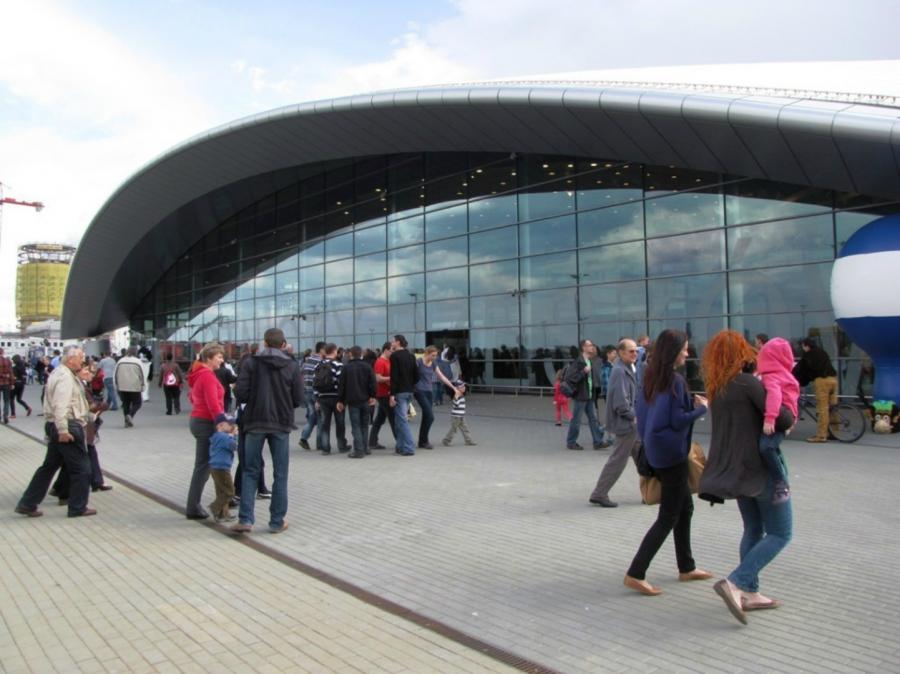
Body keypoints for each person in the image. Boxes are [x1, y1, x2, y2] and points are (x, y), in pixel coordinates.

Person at [699, 330, 793, 624]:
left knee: (753, 529)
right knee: (780, 533)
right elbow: (784, 419)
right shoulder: (747, 382)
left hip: (735, 474)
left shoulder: (718, 388)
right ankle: (737, 581)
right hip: (760, 471)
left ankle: (749, 592)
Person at [623, 329, 711, 595]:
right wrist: (701, 409)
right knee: (669, 515)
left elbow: (647, 415)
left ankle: (686, 567)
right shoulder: (673, 381)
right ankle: (636, 572)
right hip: (671, 456)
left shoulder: (652, 377)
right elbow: (675, 420)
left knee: (685, 508)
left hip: (658, 453)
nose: (687, 353)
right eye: (684, 349)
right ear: (673, 352)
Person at [232, 328, 303, 534]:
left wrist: (255, 399)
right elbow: (298, 398)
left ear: (264, 343)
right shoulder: (291, 365)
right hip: (281, 423)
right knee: (281, 473)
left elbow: (241, 393)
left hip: (254, 421)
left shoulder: (251, 363)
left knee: (250, 470)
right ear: (283, 344)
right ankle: (276, 521)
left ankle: (245, 519)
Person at [15, 345, 97, 518]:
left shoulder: (62, 373)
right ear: (70, 359)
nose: (83, 361)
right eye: (80, 358)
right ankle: (77, 507)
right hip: (67, 426)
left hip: (57, 424)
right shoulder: (65, 377)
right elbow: (61, 405)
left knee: (49, 467)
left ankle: (27, 503)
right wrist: (63, 430)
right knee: (82, 468)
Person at [588, 338, 641, 508]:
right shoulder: (619, 371)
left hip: (631, 423)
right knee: (618, 460)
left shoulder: (626, 368)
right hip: (626, 424)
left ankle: (652, 491)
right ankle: (599, 493)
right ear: (621, 352)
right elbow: (621, 403)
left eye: (636, 350)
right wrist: (633, 416)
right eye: (631, 351)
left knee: (642, 456)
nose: (635, 353)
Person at [185, 343, 228, 520]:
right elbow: (212, 402)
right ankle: (193, 506)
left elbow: (192, 396)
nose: (222, 360)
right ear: (209, 358)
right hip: (206, 422)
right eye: (219, 357)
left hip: (199, 420)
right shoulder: (207, 376)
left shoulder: (200, 374)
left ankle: (195, 505)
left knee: (204, 465)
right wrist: (222, 422)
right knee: (203, 466)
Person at [756, 338, 800, 504]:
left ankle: (781, 483)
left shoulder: (771, 376)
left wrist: (770, 418)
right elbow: (794, 399)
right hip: (787, 416)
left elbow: (774, 396)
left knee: (766, 447)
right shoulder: (786, 376)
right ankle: (781, 476)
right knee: (772, 448)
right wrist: (793, 420)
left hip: (778, 418)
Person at [563, 339, 607, 450]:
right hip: (581, 396)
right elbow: (570, 378)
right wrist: (583, 372)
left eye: (592, 345)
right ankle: (571, 442)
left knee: (593, 419)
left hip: (589, 395)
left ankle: (597, 442)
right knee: (576, 420)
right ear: (584, 348)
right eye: (590, 345)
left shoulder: (589, 361)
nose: (592, 347)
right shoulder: (578, 362)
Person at [792, 337, 837, 442]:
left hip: (822, 381)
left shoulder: (808, 354)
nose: (803, 349)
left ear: (806, 345)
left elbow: (800, 368)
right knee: (833, 407)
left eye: (803, 346)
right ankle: (834, 432)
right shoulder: (822, 351)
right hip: (833, 379)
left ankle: (821, 435)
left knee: (822, 409)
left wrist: (793, 377)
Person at [337, 345, 376, 458]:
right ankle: (365, 447)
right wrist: (372, 396)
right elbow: (373, 383)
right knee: (364, 425)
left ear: (350, 354)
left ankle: (359, 450)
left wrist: (340, 400)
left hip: (352, 401)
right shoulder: (367, 366)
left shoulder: (346, 368)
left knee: (356, 426)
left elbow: (341, 386)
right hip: (365, 400)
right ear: (361, 354)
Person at [414, 345, 456, 449]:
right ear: (427, 353)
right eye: (433, 355)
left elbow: (441, 376)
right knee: (430, 416)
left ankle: (422, 441)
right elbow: (410, 374)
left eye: (436, 355)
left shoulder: (433, 363)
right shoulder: (418, 362)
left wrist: (453, 387)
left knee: (426, 416)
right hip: (419, 391)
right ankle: (424, 440)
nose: (434, 357)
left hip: (429, 392)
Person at [389, 334, 418, 456]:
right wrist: (410, 385)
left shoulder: (394, 356)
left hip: (399, 392)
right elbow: (417, 375)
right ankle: (400, 446)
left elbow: (394, 376)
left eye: (393, 341)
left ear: (398, 342)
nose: (391, 343)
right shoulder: (411, 356)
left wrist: (392, 394)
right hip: (409, 391)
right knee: (398, 421)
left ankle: (409, 447)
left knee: (402, 420)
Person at [314, 343, 345, 454]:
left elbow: (314, 383)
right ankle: (341, 445)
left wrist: (317, 398)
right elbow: (341, 383)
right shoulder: (338, 364)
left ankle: (325, 448)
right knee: (340, 423)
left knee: (324, 424)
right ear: (334, 351)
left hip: (322, 398)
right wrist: (342, 399)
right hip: (336, 398)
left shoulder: (318, 365)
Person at [208, 419, 238, 523]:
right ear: (219, 426)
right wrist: (234, 435)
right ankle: (214, 507)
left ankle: (223, 514)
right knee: (229, 492)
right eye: (229, 424)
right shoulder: (224, 437)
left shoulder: (216, 437)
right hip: (222, 467)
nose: (231, 426)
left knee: (221, 491)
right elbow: (234, 446)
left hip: (214, 466)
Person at [298, 341, 325, 450]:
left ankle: (303, 438)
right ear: (321, 349)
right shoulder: (320, 361)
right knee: (320, 418)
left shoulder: (307, 361)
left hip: (307, 392)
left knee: (312, 416)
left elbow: (301, 374)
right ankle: (320, 443)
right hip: (316, 392)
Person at [369, 342, 395, 449]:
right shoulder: (380, 362)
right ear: (386, 350)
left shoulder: (389, 360)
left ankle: (372, 441)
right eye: (392, 350)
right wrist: (392, 378)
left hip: (387, 392)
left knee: (380, 419)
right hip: (383, 394)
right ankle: (401, 442)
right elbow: (378, 378)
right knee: (393, 418)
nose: (393, 352)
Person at [114, 348, 145, 427]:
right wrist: (143, 385)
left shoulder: (120, 361)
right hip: (135, 386)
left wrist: (116, 385)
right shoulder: (138, 362)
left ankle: (126, 422)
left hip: (122, 386)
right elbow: (142, 374)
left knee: (126, 404)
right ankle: (130, 415)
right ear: (136, 353)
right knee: (137, 403)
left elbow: (115, 374)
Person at [442, 379, 476, 446]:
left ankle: (468, 441)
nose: (464, 388)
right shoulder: (457, 395)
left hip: (461, 416)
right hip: (456, 417)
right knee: (453, 429)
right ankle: (446, 440)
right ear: (457, 388)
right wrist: (456, 397)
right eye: (462, 387)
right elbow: (455, 404)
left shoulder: (461, 395)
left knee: (465, 429)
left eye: (464, 386)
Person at [0, 347, 12, 424]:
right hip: (6, 383)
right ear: (3, 352)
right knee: (6, 400)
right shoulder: (7, 360)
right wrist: (12, 383)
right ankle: (5, 416)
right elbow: (11, 373)